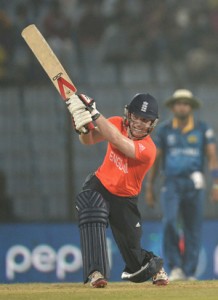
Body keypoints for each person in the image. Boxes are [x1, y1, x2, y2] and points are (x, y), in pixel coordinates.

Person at [66, 92, 169, 287]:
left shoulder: (149, 150)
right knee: (91, 211)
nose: (139, 123)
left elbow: (119, 142)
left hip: (125, 199)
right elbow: (88, 141)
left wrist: (94, 114)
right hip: (100, 185)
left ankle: (153, 266)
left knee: (134, 260)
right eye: (136, 117)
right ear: (128, 115)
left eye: (145, 120)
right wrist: (83, 130)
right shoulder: (115, 123)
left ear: (152, 124)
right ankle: (95, 273)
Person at [145, 89, 218, 281]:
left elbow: (212, 157)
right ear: (173, 106)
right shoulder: (165, 130)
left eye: (186, 103)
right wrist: (149, 187)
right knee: (169, 222)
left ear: (191, 106)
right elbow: (155, 160)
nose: (182, 106)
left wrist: (216, 184)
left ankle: (190, 271)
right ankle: (176, 267)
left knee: (193, 227)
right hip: (171, 183)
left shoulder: (203, 129)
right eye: (178, 103)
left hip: (195, 184)